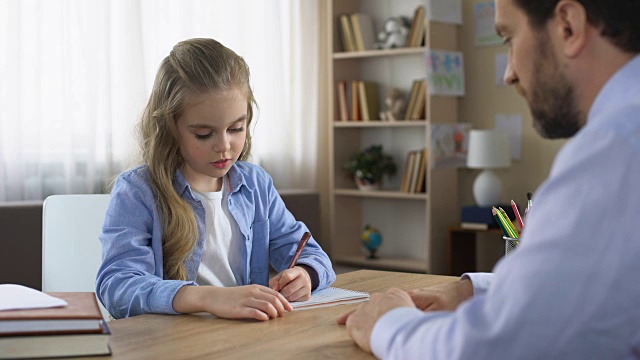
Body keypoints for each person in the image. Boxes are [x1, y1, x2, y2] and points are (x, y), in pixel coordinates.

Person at [338, 0, 640, 358]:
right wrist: (473, 291)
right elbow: (586, 281)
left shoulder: (615, 152)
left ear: (568, 26)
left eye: (508, 38)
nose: (508, 73)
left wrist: (388, 323)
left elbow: (491, 349)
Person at [96, 38, 335, 321]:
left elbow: (310, 253)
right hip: (172, 343)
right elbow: (117, 287)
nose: (224, 146)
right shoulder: (138, 190)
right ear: (169, 127)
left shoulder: (256, 184)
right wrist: (207, 298)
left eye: (236, 128)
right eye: (204, 134)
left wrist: (305, 274)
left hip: (243, 338)